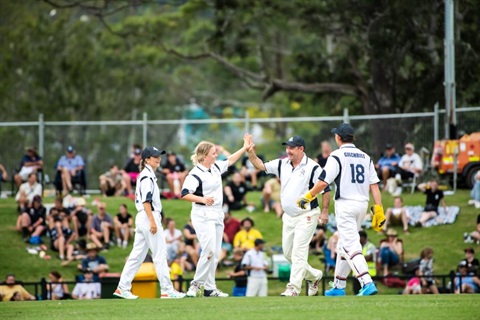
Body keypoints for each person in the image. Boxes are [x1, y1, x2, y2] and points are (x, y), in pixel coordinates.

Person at [296, 123, 385, 296]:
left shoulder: (336, 155)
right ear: (353, 138)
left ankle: (366, 282)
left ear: (338, 138)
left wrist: (308, 196)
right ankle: (339, 285)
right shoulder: (365, 157)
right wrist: (379, 209)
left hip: (345, 204)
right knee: (344, 243)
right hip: (362, 204)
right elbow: (374, 185)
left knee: (351, 244)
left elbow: (323, 182)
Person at [247, 134, 329, 297]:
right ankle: (314, 276)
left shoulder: (313, 167)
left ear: (301, 149)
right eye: (287, 147)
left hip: (307, 215)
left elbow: (325, 188)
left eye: (292, 147)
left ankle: (293, 288)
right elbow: (260, 166)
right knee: (288, 253)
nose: (288, 150)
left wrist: (325, 211)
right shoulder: (282, 163)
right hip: (289, 216)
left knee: (299, 251)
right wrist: (250, 152)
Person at [182, 136, 252, 298]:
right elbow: (185, 194)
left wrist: (244, 147)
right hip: (202, 214)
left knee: (215, 252)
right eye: (214, 153)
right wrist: (203, 199)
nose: (216, 155)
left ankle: (210, 288)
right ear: (204, 156)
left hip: (217, 214)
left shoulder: (215, 167)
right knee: (208, 250)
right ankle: (195, 285)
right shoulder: (195, 174)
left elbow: (230, 159)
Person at [114, 146, 185, 299]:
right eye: (155, 156)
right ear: (147, 160)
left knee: (137, 256)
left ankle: (122, 287)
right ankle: (167, 290)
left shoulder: (146, 175)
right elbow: (147, 201)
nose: (158, 158)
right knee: (160, 254)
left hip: (143, 218)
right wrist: (153, 221)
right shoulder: (147, 177)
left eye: (159, 156)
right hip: (148, 216)